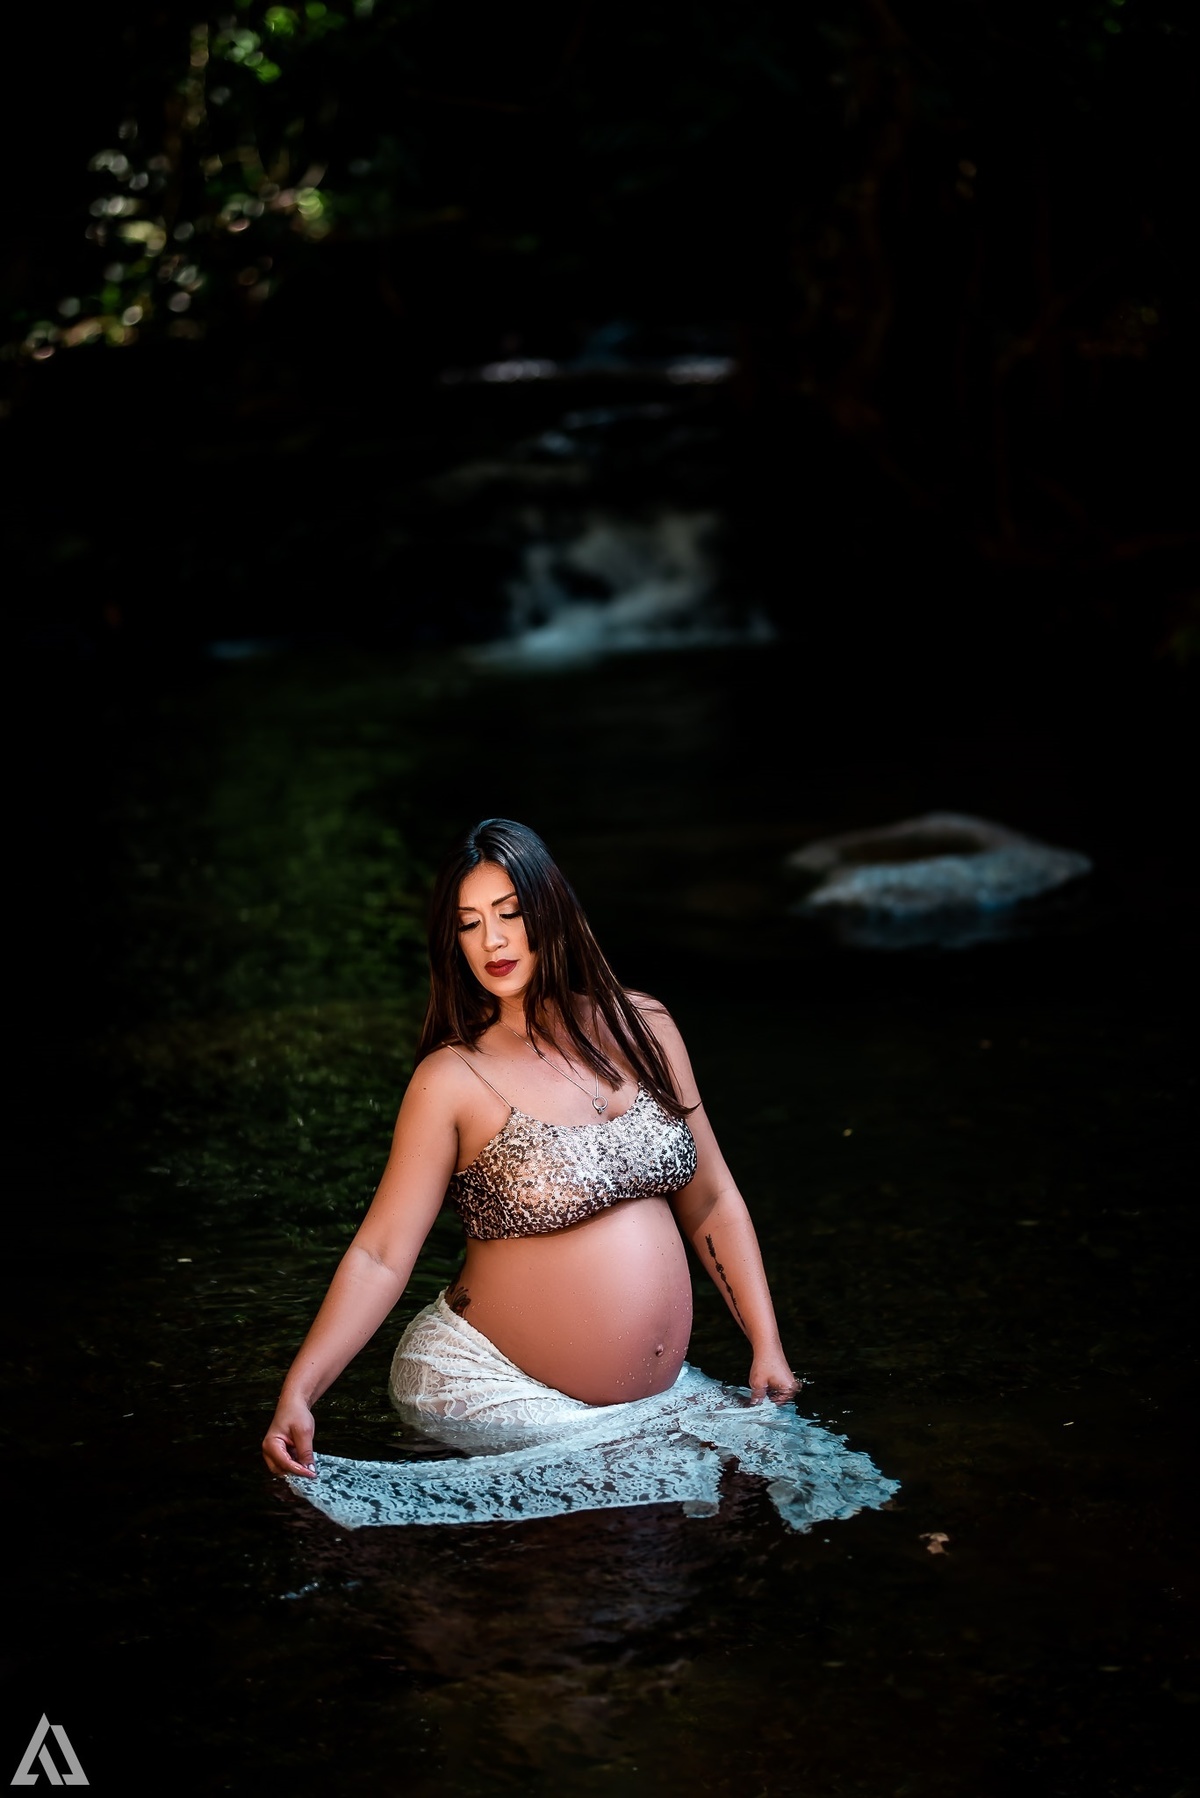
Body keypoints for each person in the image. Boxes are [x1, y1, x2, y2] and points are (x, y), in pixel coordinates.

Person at [262, 819, 897, 1531]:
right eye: (469, 924)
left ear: (553, 911)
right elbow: (381, 1254)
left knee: (809, 1482)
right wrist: (302, 1390)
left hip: (654, 1394)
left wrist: (766, 1344)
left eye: (509, 913)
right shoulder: (452, 1078)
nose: (493, 941)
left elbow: (712, 1199)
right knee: (638, 1534)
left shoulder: (646, 1028)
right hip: (489, 1385)